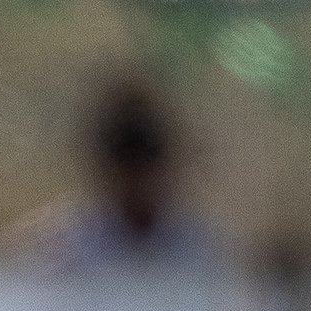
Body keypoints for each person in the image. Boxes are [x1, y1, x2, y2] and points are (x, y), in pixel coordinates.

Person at [12, 74, 232, 277]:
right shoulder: (61, 249)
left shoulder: (196, 248)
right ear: (108, 166)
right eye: (127, 165)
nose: (137, 181)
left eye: (145, 164)